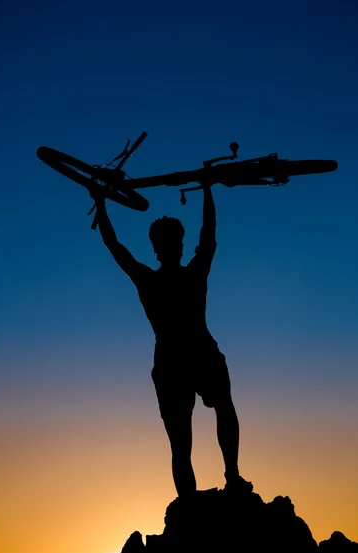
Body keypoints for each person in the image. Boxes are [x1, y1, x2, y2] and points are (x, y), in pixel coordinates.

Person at [91, 184, 250, 497]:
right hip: (183, 358)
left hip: (185, 357)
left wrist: (102, 205)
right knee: (185, 437)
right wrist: (207, 188)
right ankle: (209, 489)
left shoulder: (157, 278)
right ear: (169, 247)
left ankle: (225, 479)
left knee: (192, 432)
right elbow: (208, 233)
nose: (173, 247)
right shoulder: (183, 275)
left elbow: (115, 246)